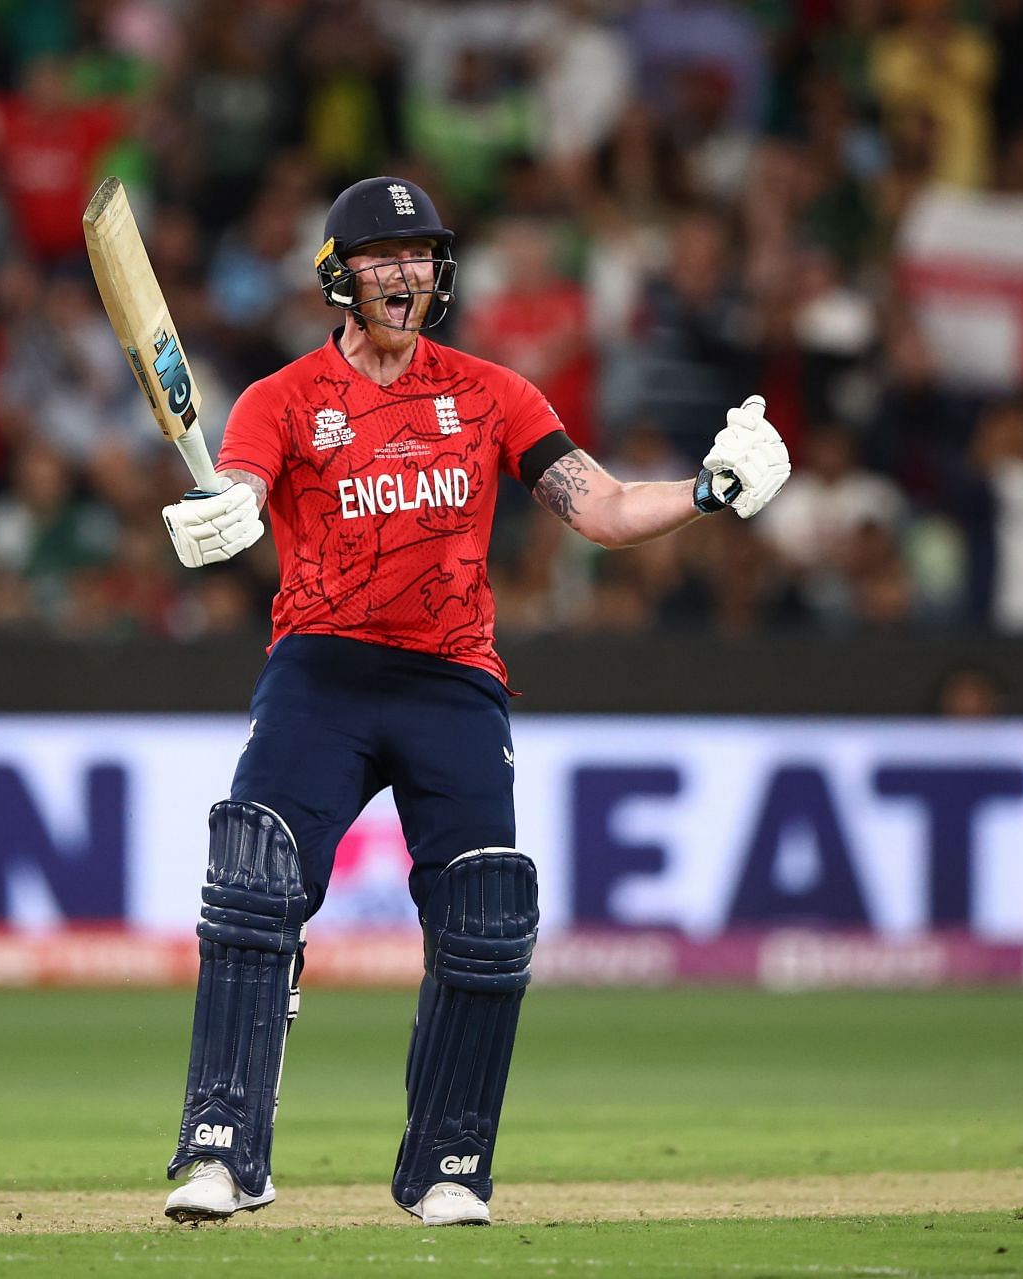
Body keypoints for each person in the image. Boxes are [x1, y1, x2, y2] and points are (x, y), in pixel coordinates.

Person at [157, 177, 791, 1227]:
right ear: (337, 274)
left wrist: (707, 492)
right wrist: (218, 520)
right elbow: (240, 489)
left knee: (485, 917)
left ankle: (448, 1165)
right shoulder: (281, 399)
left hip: (453, 678)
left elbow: (604, 508)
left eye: (421, 254)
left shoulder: (497, 393)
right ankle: (225, 1151)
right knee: (255, 880)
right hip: (321, 668)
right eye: (383, 255)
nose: (407, 272)